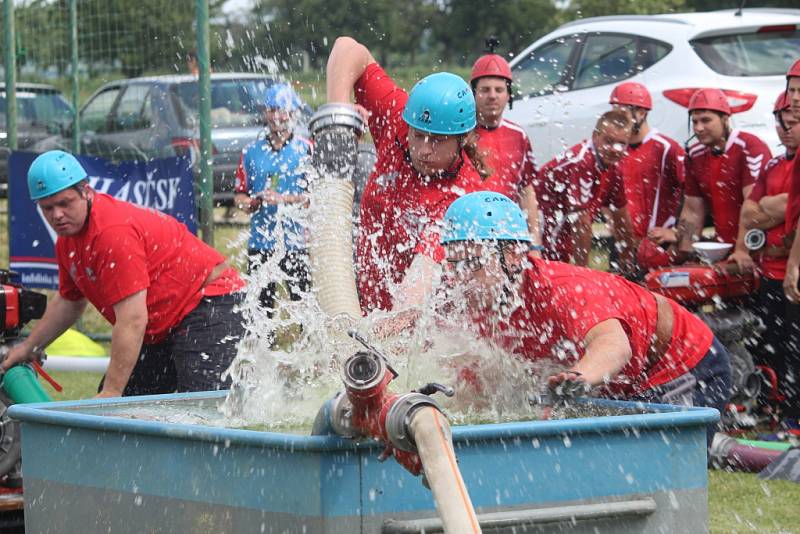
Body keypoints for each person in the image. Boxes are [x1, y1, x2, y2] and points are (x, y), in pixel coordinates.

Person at [440, 191, 732, 443]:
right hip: (625, 378)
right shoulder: (476, 302)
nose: (460, 278)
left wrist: (579, 379)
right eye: (452, 264)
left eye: (473, 263)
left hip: (683, 364)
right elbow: (473, 393)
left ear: (514, 255)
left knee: (664, 482)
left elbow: (614, 346)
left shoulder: (563, 289)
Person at [2, 150, 245, 397]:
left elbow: (132, 319)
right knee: (119, 418)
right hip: (165, 322)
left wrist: (112, 393)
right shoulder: (67, 241)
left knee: (201, 409)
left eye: (65, 203)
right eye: (47, 208)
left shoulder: (111, 232)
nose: (57, 215)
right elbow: (69, 301)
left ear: (86, 191)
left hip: (212, 303)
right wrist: (29, 347)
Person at [325, 36, 488, 313]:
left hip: (422, 319)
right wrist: (337, 120)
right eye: (418, 136)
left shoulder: (463, 196)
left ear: (462, 139)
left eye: (436, 140)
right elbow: (348, 48)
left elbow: (417, 289)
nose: (423, 149)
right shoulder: (399, 118)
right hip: (363, 299)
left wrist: (381, 332)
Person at [739, 90, 800, 432]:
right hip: (770, 272)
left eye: (793, 123)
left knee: (796, 348)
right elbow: (749, 214)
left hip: (793, 269)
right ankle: (774, 409)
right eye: (781, 123)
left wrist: (773, 207)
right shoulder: (774, 164)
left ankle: (794, 417)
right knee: (770, 346)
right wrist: (782, 206)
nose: (786, 129)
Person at [669, 88, 771, 268]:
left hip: (757, 247)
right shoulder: (695, 154)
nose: (699, 128)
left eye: (706, 120)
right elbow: (693, 211)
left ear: (725, 118)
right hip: (721, 248)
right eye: (695, 122)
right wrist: (685, 255)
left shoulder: (749, 147)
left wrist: (742, 250)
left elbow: (755, 207)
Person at [234, 83, 312, 318]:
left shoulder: (306, 150)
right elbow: (239, 195)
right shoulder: (250, 152)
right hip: (260, 243)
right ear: (264, 112)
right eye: (271, 109)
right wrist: (247, 203)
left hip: (295, 243)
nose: (276, 116)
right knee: (259, 310)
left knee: (304, 307)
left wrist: (282, 199)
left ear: (293, 113)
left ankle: (307, 346)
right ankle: (263, 350)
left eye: (282, 109)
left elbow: (313, 199)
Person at [535, 110, 637, 270]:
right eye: (608, 141)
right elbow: (581, 224)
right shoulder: (583, 162)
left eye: (621, 144)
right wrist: (585, 273)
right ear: (595, 137)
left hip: (558, 233)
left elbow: (622, 220)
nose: (614, 149)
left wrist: (628, 263)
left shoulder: (614, 168)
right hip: (540, 231)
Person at [607, 82, 685, 271]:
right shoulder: (612, 150)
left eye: (622, 113)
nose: (617, 121)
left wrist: (677, 233)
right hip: (622, 246)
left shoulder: (666, 148)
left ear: (641, 113)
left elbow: (694, 198)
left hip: (658, 247)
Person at [470, 48, 542, 246]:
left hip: (508, 232)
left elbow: (526, 190)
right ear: (473, 94)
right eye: (485, 90)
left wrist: (534, 241)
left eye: (499, 90)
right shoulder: (461, 135)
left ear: (508, 95)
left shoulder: (519, 135)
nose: (492, 96)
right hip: (470, 230)